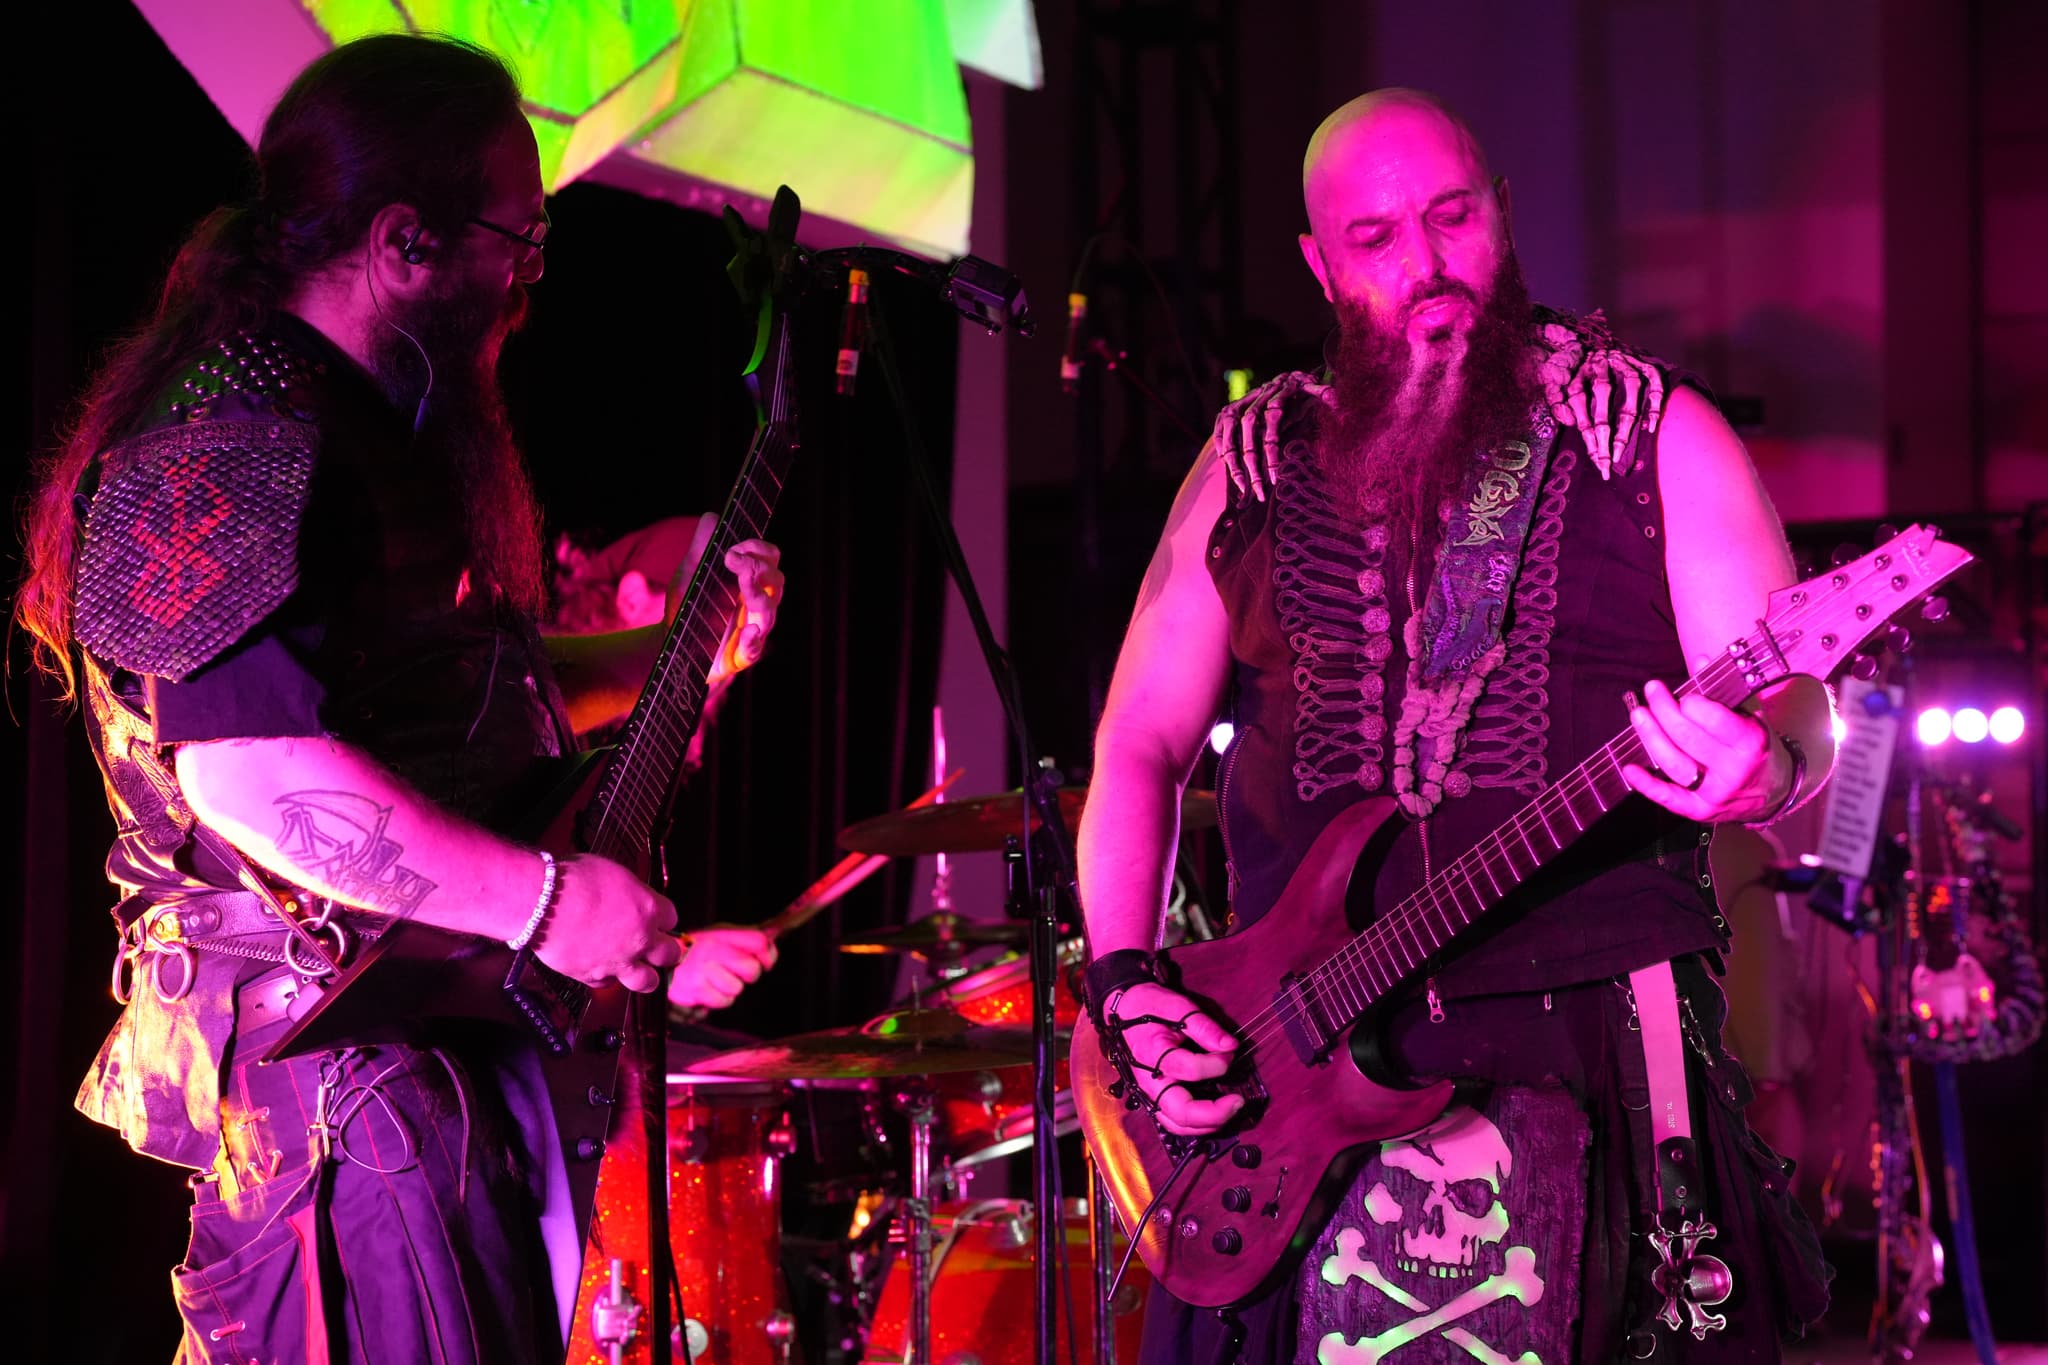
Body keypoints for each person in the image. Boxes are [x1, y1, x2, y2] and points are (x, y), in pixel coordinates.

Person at [16, 34, 782, 1363]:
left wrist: (689, 647)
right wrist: (552, 905)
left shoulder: (366, 421)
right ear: (403, 239)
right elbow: (246, 771)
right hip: (332, 1098)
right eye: (516, 235)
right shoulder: (237, 433)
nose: (528, 275)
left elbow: (444, 710)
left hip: (408, 1068)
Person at [1076, 89, 1837, 1363]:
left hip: (1595, 1056)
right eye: (1374, 240)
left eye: (1449, 217)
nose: (1425, 264)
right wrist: (1125, 985)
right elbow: (1136, 744)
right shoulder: (1249, 464)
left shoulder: (1651, 434)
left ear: (1499, 213)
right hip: (1285, 1080)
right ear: (1320, 269)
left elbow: (1797, 702)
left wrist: (1769, 767)